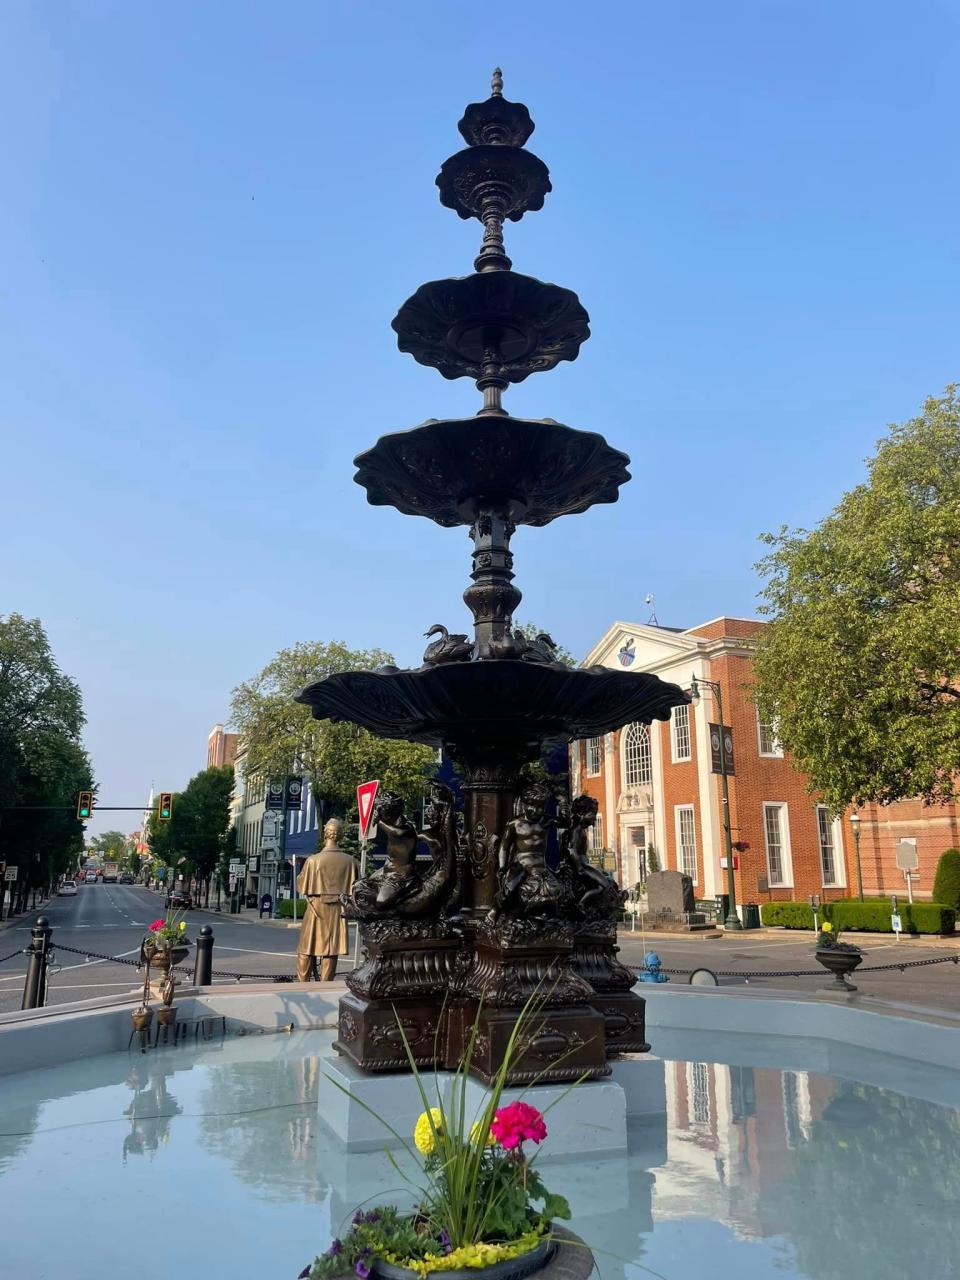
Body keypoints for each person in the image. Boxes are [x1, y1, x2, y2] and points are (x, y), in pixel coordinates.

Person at [296, 817, 356, 982]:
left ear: (325, 835)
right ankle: (325, 984)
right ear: (340, 836)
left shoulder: (313, 860)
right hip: (338, 909)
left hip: (316, 907)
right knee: (331, 949)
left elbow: (300, 885)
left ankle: (303, 984)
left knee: (305, 949)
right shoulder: (350, 862)